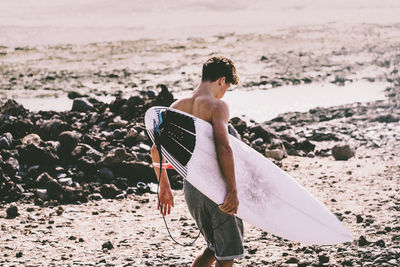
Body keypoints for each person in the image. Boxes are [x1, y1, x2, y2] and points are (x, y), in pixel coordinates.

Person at [151, 56, 243, 267]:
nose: (224, 92)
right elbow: (224, 147)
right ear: (221, 80)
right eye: (227, 87)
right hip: (215, 187)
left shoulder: (176, 106)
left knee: (212, 248)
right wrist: (232, 190)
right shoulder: (217, 106)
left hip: (192, 188)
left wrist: (164, 186)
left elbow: (156, 151)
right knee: (227, 255)